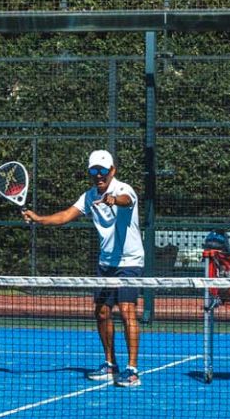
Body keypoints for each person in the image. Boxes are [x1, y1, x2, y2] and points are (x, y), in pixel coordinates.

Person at [22, 150, 144, 388]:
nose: (98, 175)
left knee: (127, 310)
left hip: (130, 262)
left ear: (112, 171)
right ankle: (110, 365)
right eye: (93, 171)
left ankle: (132, 370)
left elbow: (126, 201)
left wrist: (113, 200)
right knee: (101, 312)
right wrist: (38, 219)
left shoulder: (123, 189)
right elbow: (66, 215)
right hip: (106, 263)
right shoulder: (89, 197)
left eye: (102, 171)